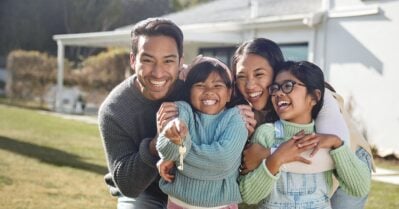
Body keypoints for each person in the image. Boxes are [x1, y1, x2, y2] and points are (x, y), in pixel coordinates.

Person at [230, 38, 374, 208]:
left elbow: (325, 156)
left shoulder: (321, 96)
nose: (250, 84)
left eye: (259, 74)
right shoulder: (254, 118)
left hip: (350, 155)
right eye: (241, 76)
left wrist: (269, 155)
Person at [98, 17, 185, 209]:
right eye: (148, 60)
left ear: (180, 63)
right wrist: (156, 145)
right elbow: (128, 185)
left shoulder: (194, 86)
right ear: (132, 60)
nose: (158, 73)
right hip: (145, 193)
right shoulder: (114, 110)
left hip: (193, 188)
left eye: (168, 61)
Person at [156, 56, 248, 209]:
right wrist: (173, 142)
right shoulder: (182, 110)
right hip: (178, 203)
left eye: (217, 85)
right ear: (189, 91)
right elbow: (167, 150)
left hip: (222, 205)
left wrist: (179, 155)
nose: (209, 91)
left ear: (229, 93)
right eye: (200, 85)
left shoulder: (237, 117)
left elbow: (223, 160)